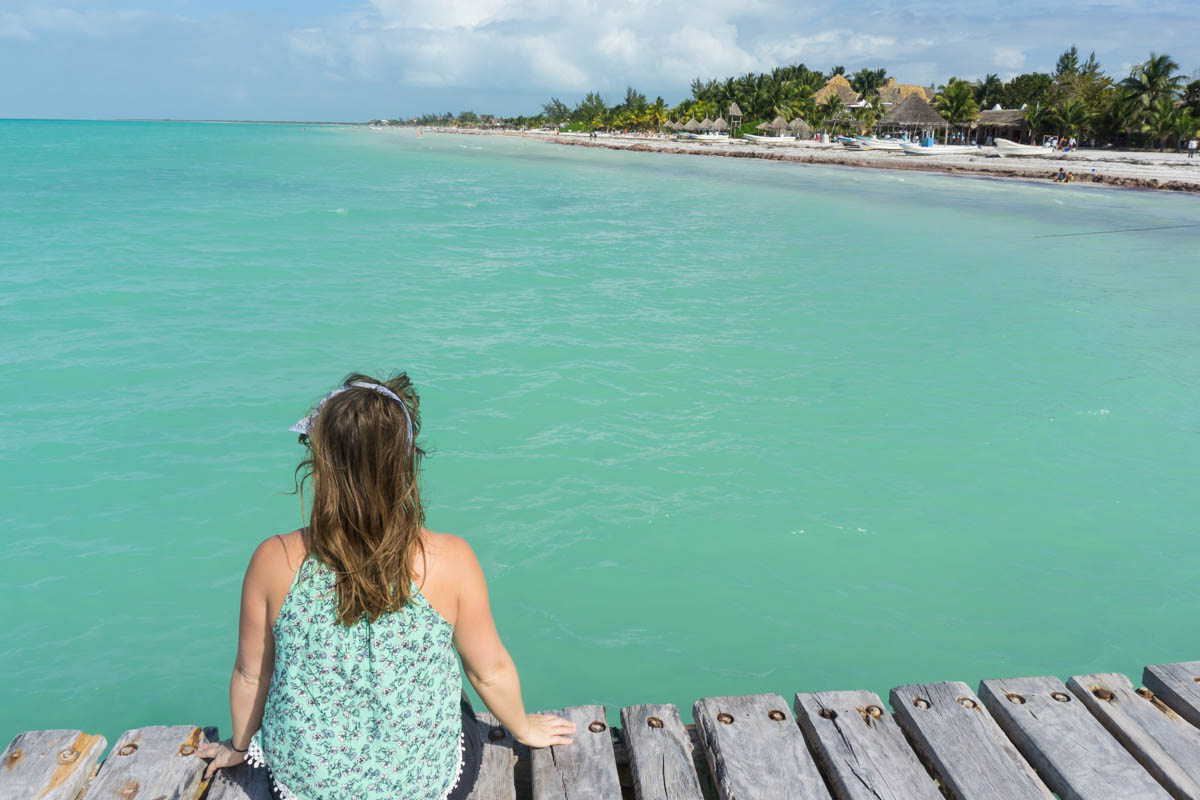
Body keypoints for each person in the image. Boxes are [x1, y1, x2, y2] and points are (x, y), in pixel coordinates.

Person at [198, 374, 575, 800]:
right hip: (418, 783)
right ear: (406, 463)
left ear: (319, 463)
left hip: (310, 784)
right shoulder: (449, 560)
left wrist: (239, 746)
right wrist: (523, 727)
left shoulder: (274, 558)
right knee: (462, 705)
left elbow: (252, 675)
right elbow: (488, 671)